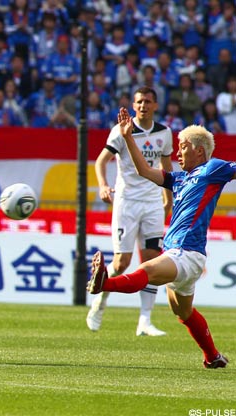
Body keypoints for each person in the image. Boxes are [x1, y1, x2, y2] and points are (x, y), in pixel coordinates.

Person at [88, 108, 230, 369]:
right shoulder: (179, 178)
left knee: (147, 269)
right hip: (180, 254)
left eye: (183, 147)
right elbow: (144, 170)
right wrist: (127, 137)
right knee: (183, 312)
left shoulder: (212, 168)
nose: (178, 153)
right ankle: (212, 356)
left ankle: (104, 284)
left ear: (200, 151)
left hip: (186, 253)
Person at [86, 86, 173, 337]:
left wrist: (168, 200)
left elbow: (166, 168)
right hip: (127, 202)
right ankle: (100, 299)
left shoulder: (164, 133)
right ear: (134, 106)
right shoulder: (122, 130)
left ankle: (145, 320)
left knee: (152, 262)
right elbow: (101, 160)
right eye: (139, 102)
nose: (143, 105)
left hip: (152, 203)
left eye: (147, 101)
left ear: (155, 105)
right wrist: (103, 185)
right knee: (121, 263)